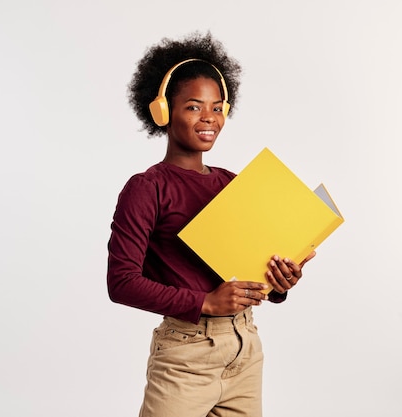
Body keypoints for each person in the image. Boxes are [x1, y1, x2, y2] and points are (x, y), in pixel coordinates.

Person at [107, 31, 316, 417]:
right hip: (186, 354)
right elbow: (121, 282)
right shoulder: (147, 188)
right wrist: (204, 301)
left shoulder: (232, 184)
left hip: (245, 347)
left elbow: (251, 273)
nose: (209, 118)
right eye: (193, 107)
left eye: (218, 108)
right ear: (163, 112)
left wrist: (280, 282)